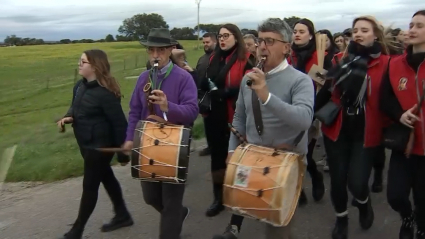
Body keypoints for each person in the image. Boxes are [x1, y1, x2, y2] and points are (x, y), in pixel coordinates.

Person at [213, 17, 314, 239]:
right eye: (260, 41)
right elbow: (239, 117)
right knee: (241, 204)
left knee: (276, 228)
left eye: (270, 41)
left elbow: (304, 120)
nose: (262, 47)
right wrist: (232, 150)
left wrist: (265, 95)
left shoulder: (300, 81)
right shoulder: (248, 79)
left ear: (287, 48)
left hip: (286, 164)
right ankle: (233, 228)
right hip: (252, 160)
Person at [315, 15, 390, 239]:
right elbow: (326, 92)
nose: (358, 34)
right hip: (337, 129)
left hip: (366, 132)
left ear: (375, 34)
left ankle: (363, 203)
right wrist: (307, 114)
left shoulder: (386, 63)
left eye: (364, 30)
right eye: (355, 30)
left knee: (357, 183)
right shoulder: (340, 59)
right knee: (337, 180)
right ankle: (341, 218)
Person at [122, 28, 199, 239]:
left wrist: (168, 106)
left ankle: (173, 222)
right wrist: (129, 138)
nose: (156, 55)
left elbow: (192, 112)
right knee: (151, 198)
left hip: (174, 149)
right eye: (151, 50)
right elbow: (135, 111)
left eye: (161, 50)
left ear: (171, 50)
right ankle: (178, 214)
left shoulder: (184, 78)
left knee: (171, 203)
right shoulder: (143, 78)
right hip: (146, 147)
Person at [57, 49, 133, 239]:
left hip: (100, 147)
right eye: (79, 61)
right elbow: (75, 106)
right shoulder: (79, 86)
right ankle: (122, 215)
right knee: (106, 177)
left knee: (90, 187)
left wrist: (122, 154)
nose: (79, 64)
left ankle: (76, 231)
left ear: (95, 66)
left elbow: (119, 124)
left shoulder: (105, 93)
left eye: (83, 62)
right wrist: (68, 116)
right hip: (85, 143)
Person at [199, 23, 253, 218]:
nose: (222, 39)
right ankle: (218, 198)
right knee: (217, 158)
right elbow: (207, 81)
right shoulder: (214, 57)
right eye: (220, 36)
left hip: (234, 116)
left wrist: (228, 92)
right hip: (214, 115)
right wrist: (212, 88)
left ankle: (241, 196)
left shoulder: (246, 59)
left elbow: (248, 87)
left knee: (238, 159)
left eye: (226, 36)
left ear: (236, 38)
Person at [380, 9, 425, 239]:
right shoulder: (395, 64)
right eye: (412, 25)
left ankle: (421, 227)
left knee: (423, 199)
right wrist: (400, 114)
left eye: (420, 26)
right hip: (405, 143)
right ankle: (407, 217)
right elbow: (384, 99)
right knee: (396, 195)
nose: (413, 30)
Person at [289, 18, 331, 205]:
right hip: (289, 110)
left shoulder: (321, 56)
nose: (297, 34)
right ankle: (298, 190)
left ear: (311, 35)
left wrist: (310, 110)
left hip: (312, 112)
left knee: (304, 152)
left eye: (302, 31)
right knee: (292, 154)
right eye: (295, 31)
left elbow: (325, 89)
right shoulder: (288, 56)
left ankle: (315, 176)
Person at [196, 32, 217, 157]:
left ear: (215, 42)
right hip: (202, 96)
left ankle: (218, 147)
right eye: (204, 42)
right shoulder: (202, 59)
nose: (205, 45)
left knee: (217, 124)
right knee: (207, 124)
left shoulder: (219, 58)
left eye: (207, 42)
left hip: (214, 96)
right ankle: (210, 146)